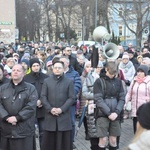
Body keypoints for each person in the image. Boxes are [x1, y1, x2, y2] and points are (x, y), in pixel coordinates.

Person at [0, 64, 38, 150]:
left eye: (18, 70)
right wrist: (6, 117)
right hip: (6, 129)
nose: (15, 72)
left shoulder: (31, 88)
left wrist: (18, 118)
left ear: (23, 74)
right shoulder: (3, 88)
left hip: (24, 130)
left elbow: (31, 106)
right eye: (13, 70)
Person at [41, 60, 75, 150]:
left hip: (64, 117)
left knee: (63, 144)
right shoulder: (47, 81)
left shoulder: (69, 81)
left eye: (59, 68)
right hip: (50, 116)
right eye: (55, 67)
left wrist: (61, 109)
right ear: (52, 69)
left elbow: (72, 98)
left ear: (63, 69)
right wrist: (50, 109)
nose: (57, 69)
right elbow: (43, 97)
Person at [94, 61, 125, 150]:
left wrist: (117, 112)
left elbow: (122, 98)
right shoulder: (99, 81)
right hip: (102, 114)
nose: (112, 75)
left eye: (114, 73)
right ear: (106, 69)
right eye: (111, 73)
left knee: (113, 140)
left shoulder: (119, 82)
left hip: (116, 114)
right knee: (102, 140)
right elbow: (98, 99)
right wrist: (108, 113)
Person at [24, 58, 49, 147]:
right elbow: (25, 93)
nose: (36, 67)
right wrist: (34, 102)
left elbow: (48, 91)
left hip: (43, 108)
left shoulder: (46, 77)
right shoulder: (26, 78)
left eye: (37, 65)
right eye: (34, 66)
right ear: (31, 67)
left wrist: (42, 100)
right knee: (30, 133)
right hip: (31, 109)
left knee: (43, 132)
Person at [59, 56, 82, 149]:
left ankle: (71, 141)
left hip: (70, 103)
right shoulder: (57, 73)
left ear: (68, 63)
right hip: (58, 103)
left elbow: (77, 85)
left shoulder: (74, 73)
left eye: (63, 62)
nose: (61, 64)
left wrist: (70, 95)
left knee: (72, 122)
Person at [125, 64, 150, 133]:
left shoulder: (148, 82)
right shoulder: (134, 81)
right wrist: (124, 103)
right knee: (136, 132)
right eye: (138, 72)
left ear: (145, 73)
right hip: (135, 111)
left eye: (141, 72)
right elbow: (129, 93)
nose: (139, 73)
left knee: (144, 132)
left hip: (145, 111)